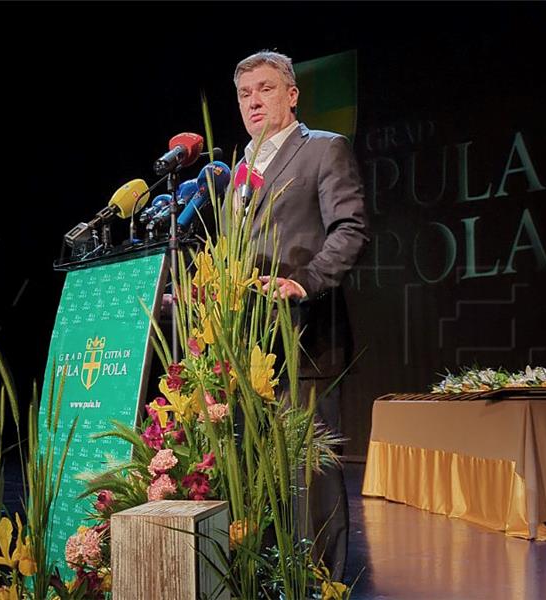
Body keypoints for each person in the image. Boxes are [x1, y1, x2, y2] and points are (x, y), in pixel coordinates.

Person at [233, 50, 368, 581]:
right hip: (248, 352)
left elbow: (350, 228)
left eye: (264, 89)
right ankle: (270, 582)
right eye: (245, 94)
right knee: (260, 482)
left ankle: (322, 587)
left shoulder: (323, 149)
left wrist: (304, 281)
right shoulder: (237, 174)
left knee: (312, 483)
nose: (253, 102)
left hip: (306, 346)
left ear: (291, 95)